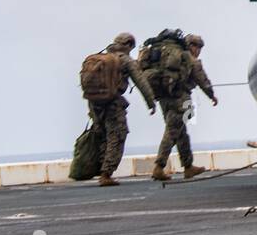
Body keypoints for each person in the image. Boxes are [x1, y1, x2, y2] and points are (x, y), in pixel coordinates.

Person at [82, 32, 156, 187]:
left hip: (94, 103)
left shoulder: (101, 58)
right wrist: (151, 102)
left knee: (102, 135)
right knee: (117, 135)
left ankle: (101, 169)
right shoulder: (125, 60)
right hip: (113, 104)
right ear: (128, 45)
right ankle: (106, 173)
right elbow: (141, 82)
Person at [146, 30, 217, 181]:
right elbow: (201, 78)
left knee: (181, 132)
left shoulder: (165, 54)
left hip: (163, 97)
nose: (198, 51)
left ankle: (188, 166)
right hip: (182, 99)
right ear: (191, 45)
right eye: (197, 47)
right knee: (173, 132)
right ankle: (159, 166)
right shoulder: (187, 57)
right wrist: (211, 95)